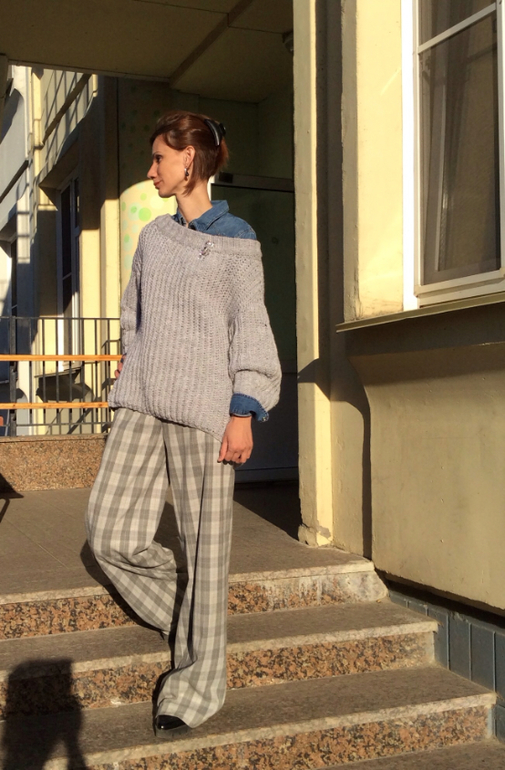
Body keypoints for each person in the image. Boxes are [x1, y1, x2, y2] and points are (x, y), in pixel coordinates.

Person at [85, 110, 281, 738]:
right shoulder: (154, 236)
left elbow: (251, 329)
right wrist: (129, 368)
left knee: (205, 551)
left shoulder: (239, 242)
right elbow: (132, 314)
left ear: (189, 160)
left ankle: (196, 685)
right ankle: (194, 620)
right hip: (142, 401)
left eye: (160, 159)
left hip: (206, 413)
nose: (152, 170)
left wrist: (243, 412)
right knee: (108, 533)